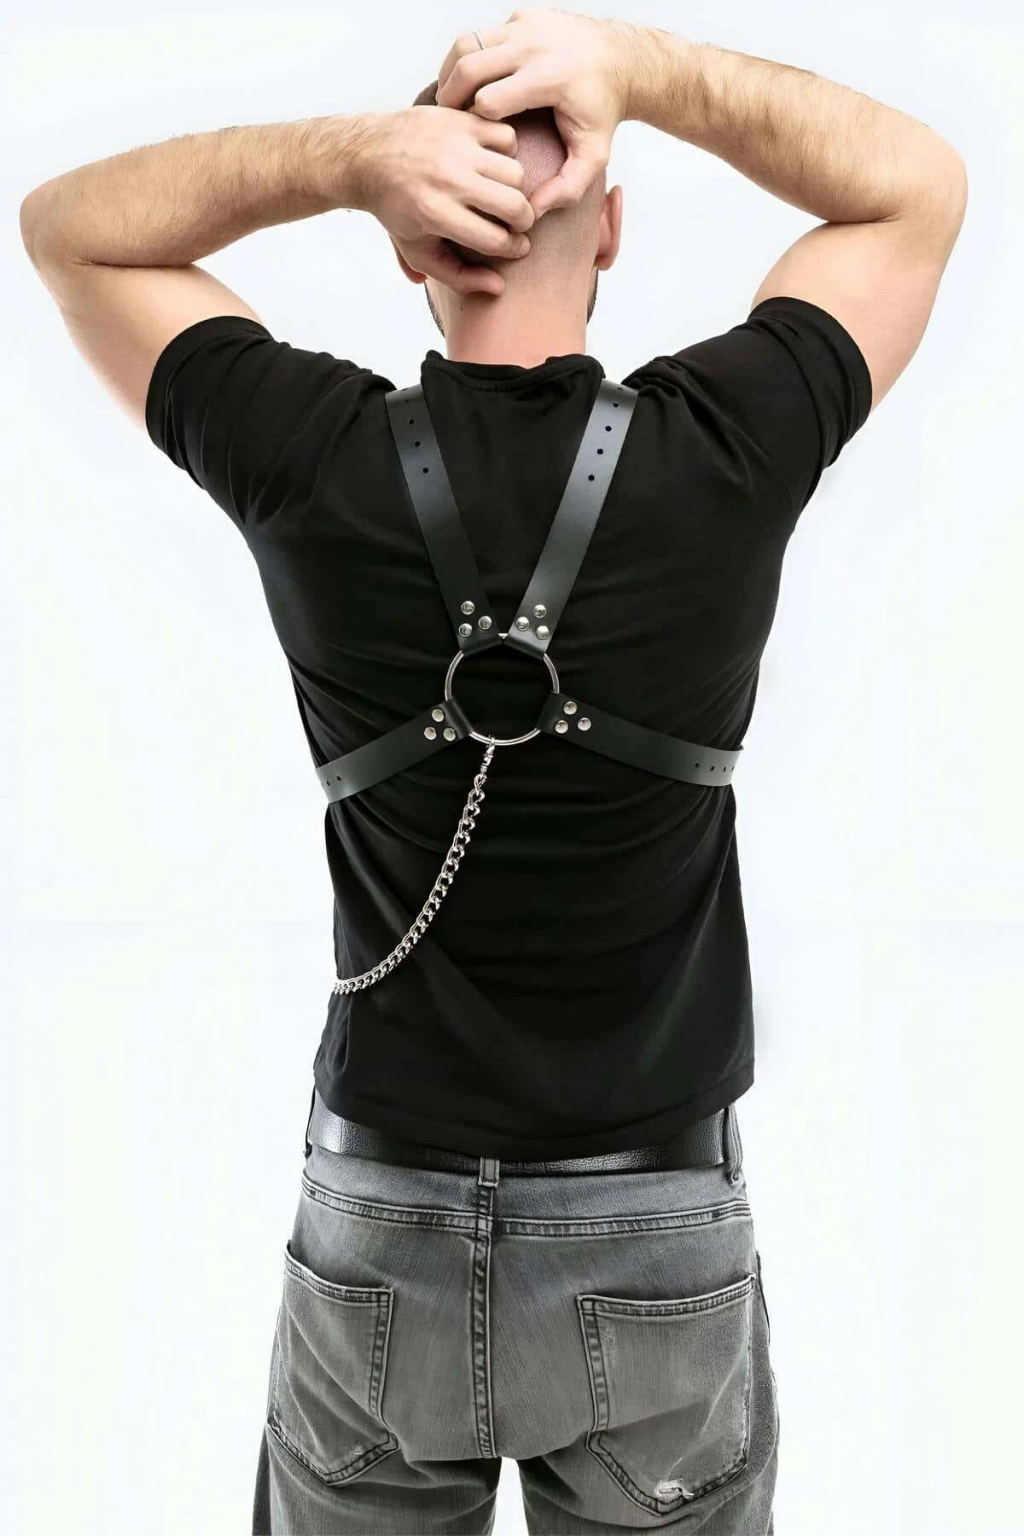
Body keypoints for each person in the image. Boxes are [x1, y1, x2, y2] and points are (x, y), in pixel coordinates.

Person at [20, 10, 966, 1534]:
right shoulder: (726, 449)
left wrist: (345, 158)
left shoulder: (306, 451)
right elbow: (914, 188)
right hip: (656, 1222)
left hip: (379, 1222)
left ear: (410, 245)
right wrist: (639, 72)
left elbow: (70, 227)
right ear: (615, 227)